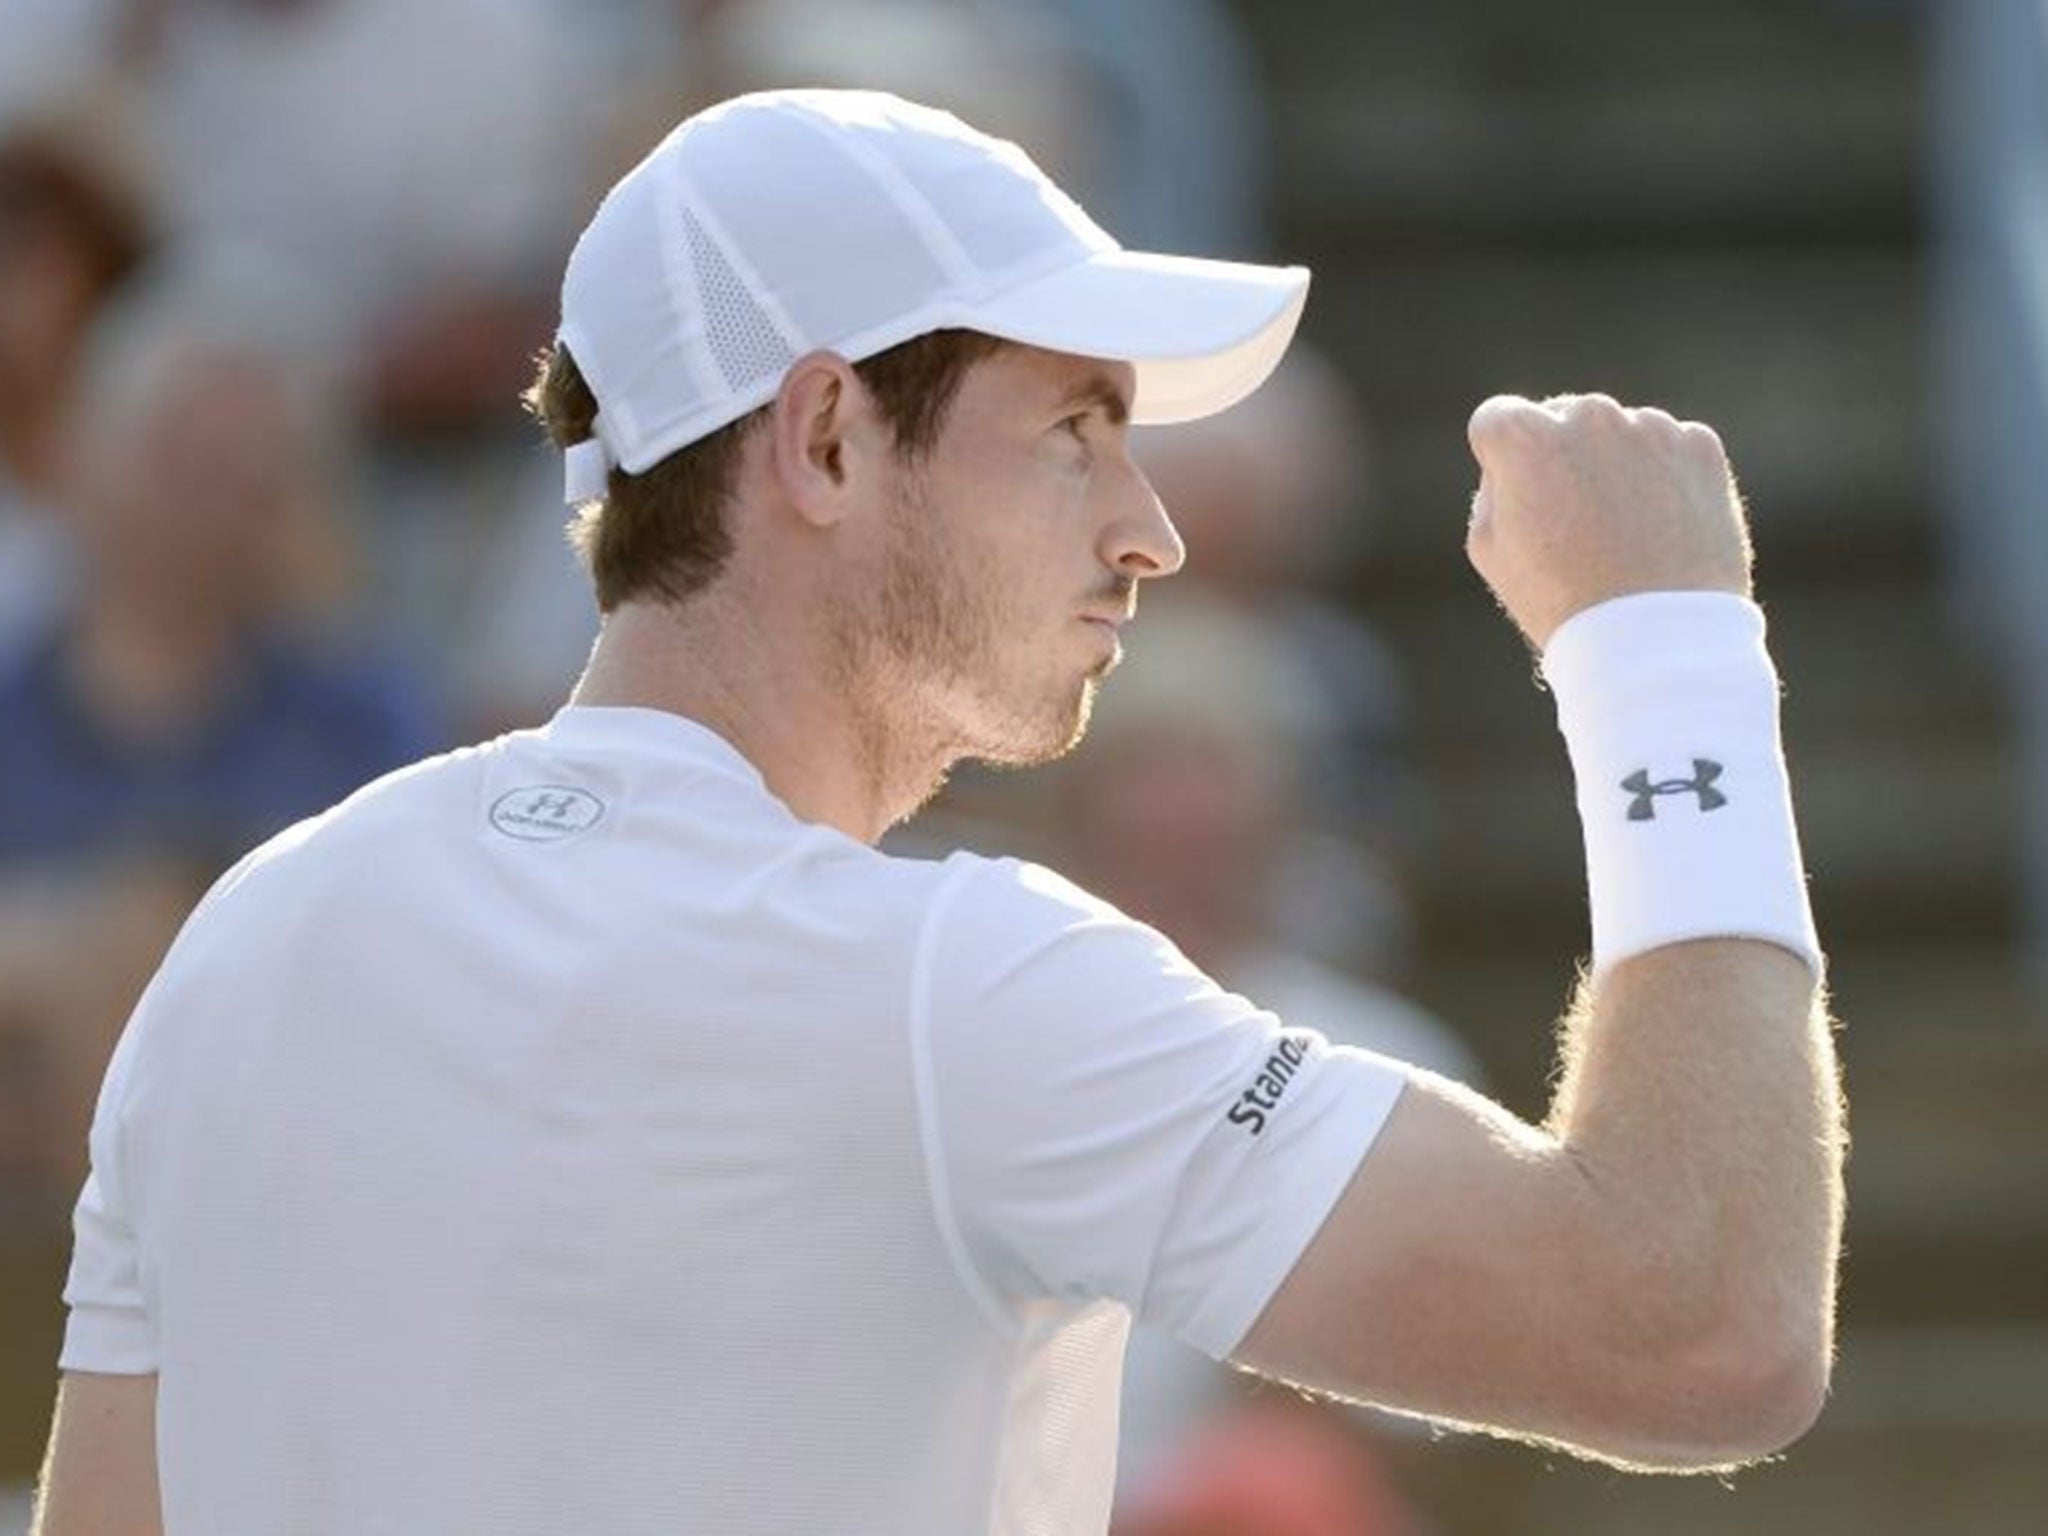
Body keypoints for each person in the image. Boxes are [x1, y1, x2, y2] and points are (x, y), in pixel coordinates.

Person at [31, 90, 1844, 1536]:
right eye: (1074, 427)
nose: (1153, 526)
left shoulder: (252, 939)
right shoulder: (955, 988)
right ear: (824, 438)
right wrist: (1662, 653)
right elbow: (1696, 1322)